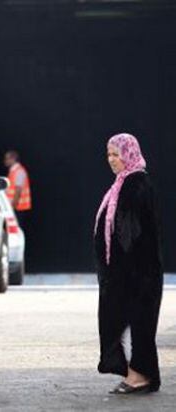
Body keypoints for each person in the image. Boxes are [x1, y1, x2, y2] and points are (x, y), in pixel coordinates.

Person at [94, 133, 163, 394]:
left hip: (138, 272)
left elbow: (131, 232)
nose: (112, 160)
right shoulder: (122, 184)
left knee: (139, 323)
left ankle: (140, 376)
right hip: (127, 272)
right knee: (122, 320)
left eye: (116, 154)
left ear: (129, 155)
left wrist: (123, 269)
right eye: (109, 154)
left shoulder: (136, 184)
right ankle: (141, 374)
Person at [3, 150, 32, 225]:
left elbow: (18, 191)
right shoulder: (13, 171)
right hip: (14, 207)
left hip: (17, 208)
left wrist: (12, 208)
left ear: (13, 159)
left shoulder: (19, 171)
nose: (5, 161)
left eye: (7, 159)